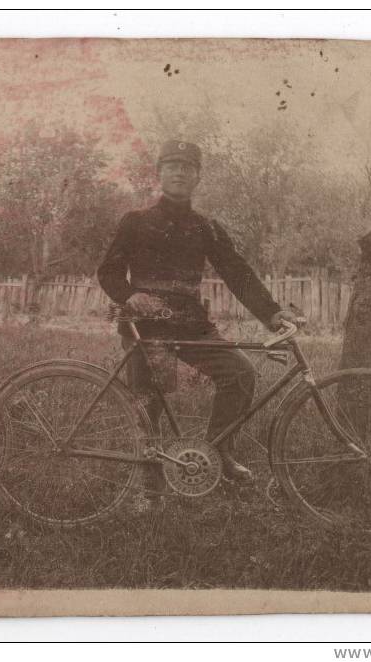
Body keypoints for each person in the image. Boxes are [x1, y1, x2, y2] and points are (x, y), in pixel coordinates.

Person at [97, 140, 298, 482]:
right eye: (171, 166)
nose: (179, 172)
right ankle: (150, 485)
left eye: (187, 167)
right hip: (145, 328)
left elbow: (237, 273)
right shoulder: (135, 221)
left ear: (197, 177)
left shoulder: (206, 227)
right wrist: (131, 296)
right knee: (149, 404)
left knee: (240, 373)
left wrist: (272, 314)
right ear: (159, 173)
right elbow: (108, 273)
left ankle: (218, 454)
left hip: (192, 327)